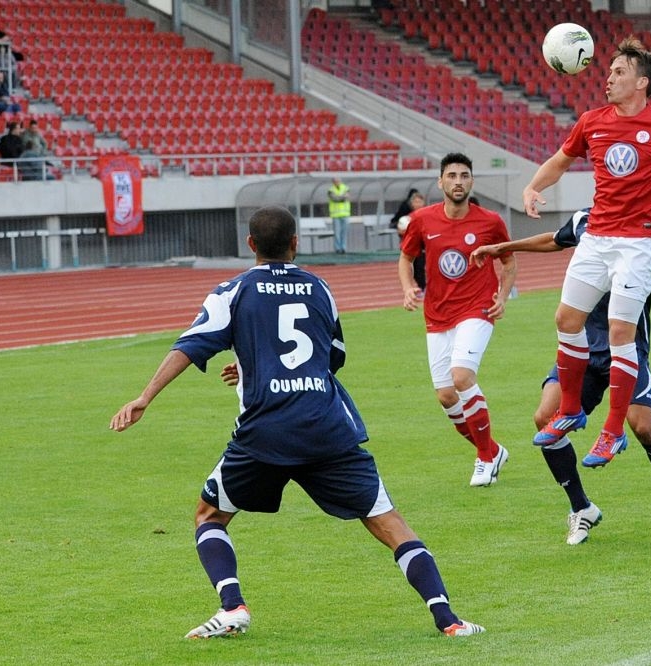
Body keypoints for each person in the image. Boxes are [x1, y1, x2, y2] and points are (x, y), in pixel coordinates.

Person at [109, 206, 484, 639]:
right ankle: (449, 621)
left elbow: (190, 346)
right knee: (390, 523)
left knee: (209, 515)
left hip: (266, 431)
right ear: (295, 244)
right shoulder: (320, 288)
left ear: (250, 244)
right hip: (326, 426)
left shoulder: (232, 291)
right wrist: (259, 365)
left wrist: (145, 397)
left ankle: (233, 607)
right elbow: (333, 357)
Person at [521, 37, 651, 464]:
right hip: (597, 236)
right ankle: (571, 410)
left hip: (640, 243)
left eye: (618, 72)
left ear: (642, 82)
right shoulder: (592, 120)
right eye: (609, 71)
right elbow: (560, 159)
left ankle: (612, 431)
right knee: (566, 319)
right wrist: (534, 186)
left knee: (618, 333)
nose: (608, 78)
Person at [472, 208, 651, 543]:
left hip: (626, 351)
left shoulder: (649, 227)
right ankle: (580, 508)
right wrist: (505, 247)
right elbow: (554, 239)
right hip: (582, 351)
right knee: (545, 418)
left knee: (642, 426)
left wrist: (640, 274)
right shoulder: (585, 220)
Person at [398, 153, 517, 487]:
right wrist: (409, 288)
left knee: (462, 376)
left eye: (464, 176)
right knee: (446, 396)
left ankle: (483, 459)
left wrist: (503, 297)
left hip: (477, 309)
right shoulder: (422, 220)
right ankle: (492, 450)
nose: (458, 182)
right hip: (437, 315)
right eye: (452, 176)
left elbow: (508, 263)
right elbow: (405, 259)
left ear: (472, 182)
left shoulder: (490, 222)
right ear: (441, 182)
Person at [391, 189, 427, 289]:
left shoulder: (428, 216)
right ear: (411, 204)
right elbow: (401, 232)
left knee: (423, 268)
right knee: (414, 269)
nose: (418, 204)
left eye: (420, 201)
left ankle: (426, 288)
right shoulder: (407, 219)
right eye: (415, 201)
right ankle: (422, 288)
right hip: (413, 248)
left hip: (425, 247)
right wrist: (401, 232)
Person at [327, 176, 351, 254]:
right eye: (335, 181)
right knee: (337, 233)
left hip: (345, 214)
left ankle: (343, 248)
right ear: (333, 182)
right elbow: (335, 199)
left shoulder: (345, 188)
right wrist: (342, 197)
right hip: (336, 215)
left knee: (344, 232)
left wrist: (340, 197)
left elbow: (346, 196)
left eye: (338, 180)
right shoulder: (331, 190)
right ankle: (337, 248)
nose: (337, 182)